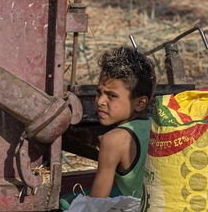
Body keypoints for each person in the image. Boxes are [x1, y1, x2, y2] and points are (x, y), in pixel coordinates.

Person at [61, 47, 156, 208]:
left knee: (67, 201)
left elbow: (96, 203)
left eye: (111, 95)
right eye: (99, 93)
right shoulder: (152, 125)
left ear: (140, 103)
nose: (100, 101)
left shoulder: (113, 140)